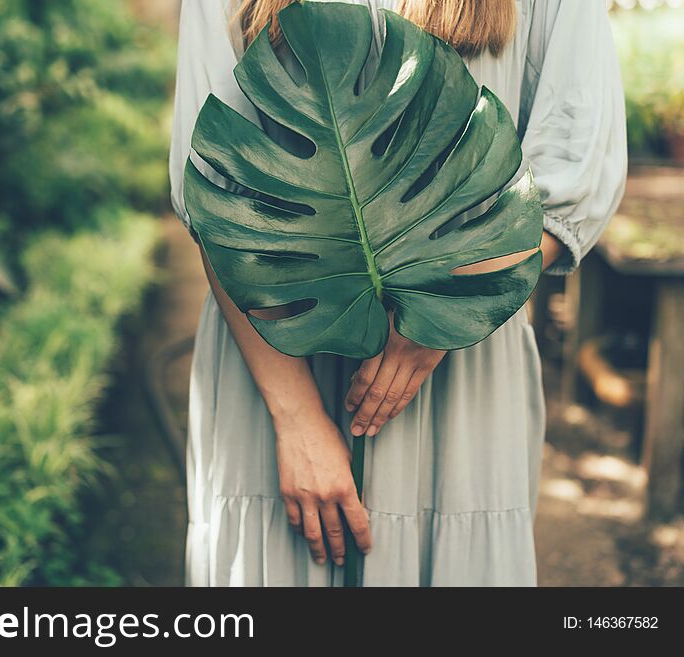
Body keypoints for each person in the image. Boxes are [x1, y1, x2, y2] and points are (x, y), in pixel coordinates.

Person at [168, 0, 626, 586]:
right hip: (273, 362)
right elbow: (217, 192)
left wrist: (436, 322)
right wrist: (297, 418)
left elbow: (569, 174)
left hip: (459, 378)